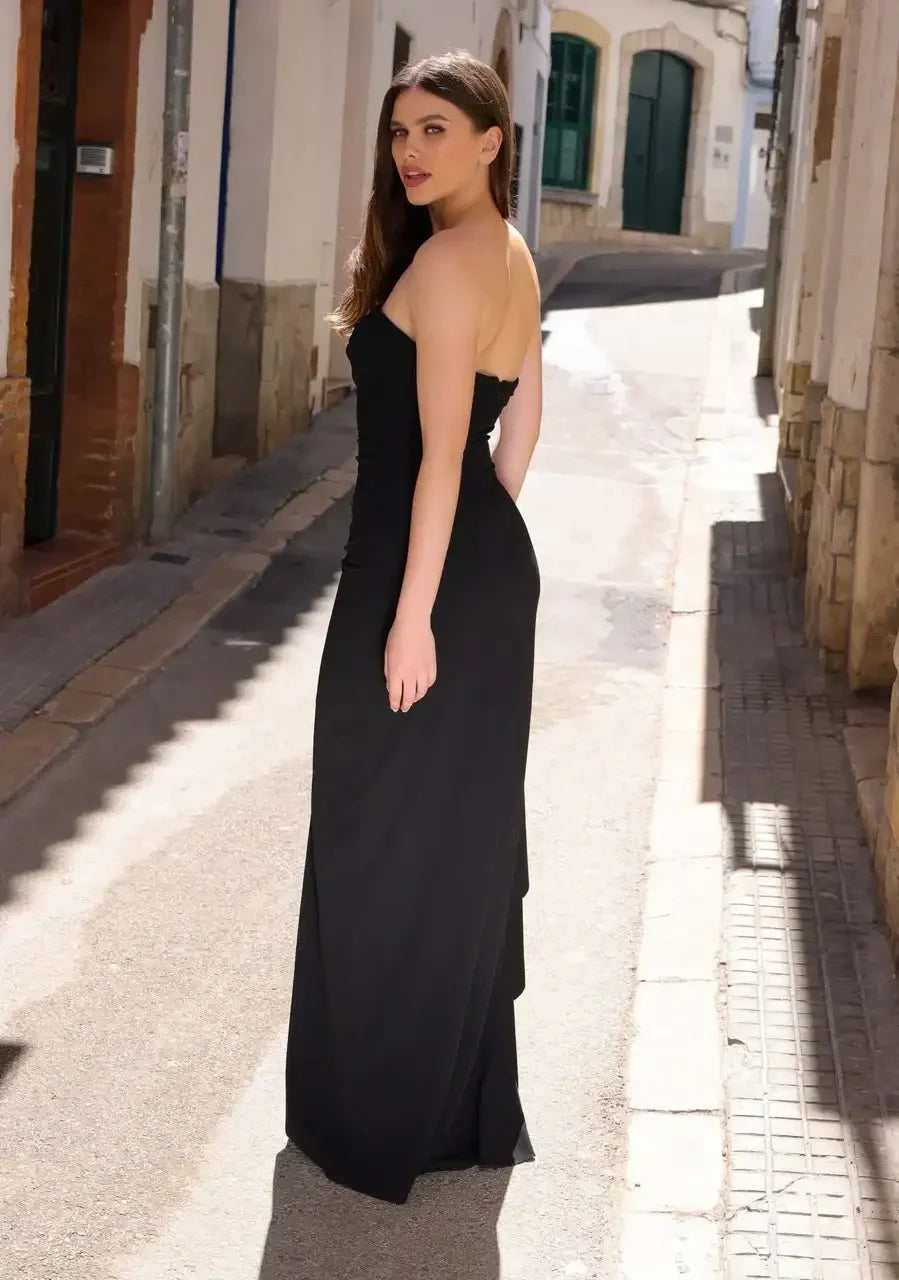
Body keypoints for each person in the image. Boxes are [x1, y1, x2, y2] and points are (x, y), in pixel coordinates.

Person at [284, 49, 542, 1206]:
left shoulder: (447, 260)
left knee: (373, 831)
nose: (411, 151)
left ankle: (376, 1113)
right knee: (446, 840)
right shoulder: (510, 252)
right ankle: (442, 1104)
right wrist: (477, 567)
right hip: (476, 568)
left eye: (435, 128)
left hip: (412, 577)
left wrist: (415, 614)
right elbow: (518, 430)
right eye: (399, 133)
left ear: (491, 139)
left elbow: (443, 456)